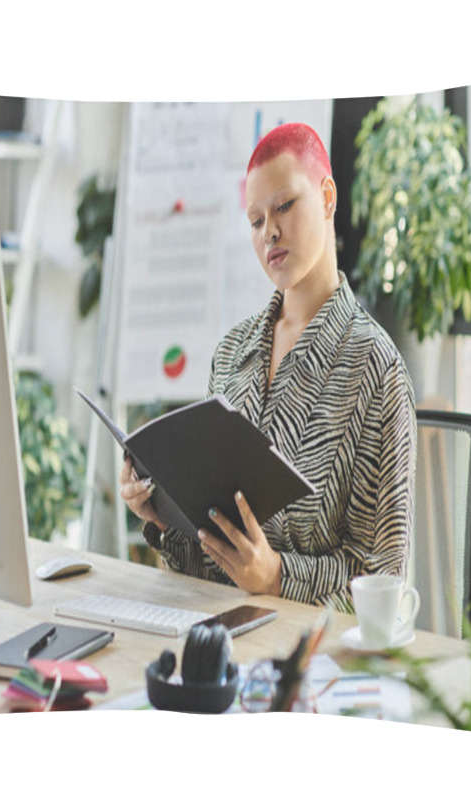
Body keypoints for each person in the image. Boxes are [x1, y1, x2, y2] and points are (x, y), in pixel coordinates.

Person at [120, 122, 416, 610]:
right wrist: (161, 516)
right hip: (221, 629)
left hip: (314, 654)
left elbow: (384, 580)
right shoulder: (232, 355)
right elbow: (210, 562)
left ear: (326, 197)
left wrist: (278, 576)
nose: (269, 232)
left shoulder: (376, 369)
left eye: (284, 206)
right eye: (256, 221)